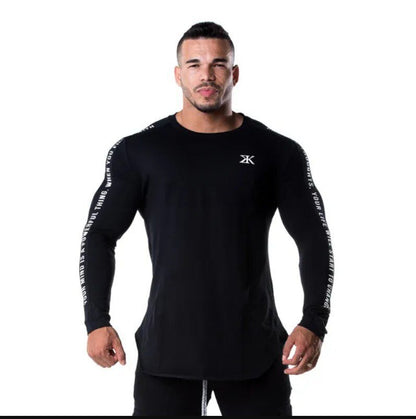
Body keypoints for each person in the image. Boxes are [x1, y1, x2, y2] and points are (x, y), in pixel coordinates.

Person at [78, 21, 335, 416]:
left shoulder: (276, 151)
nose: (206, 75)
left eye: (218, 64)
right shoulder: (141, 151)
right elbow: (99, 234)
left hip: (254, 350)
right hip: (168, 351)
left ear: (234, 73)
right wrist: (96, 320)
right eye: (194, 64)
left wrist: (314, 321)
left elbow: (313, 237)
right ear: (178, 74)